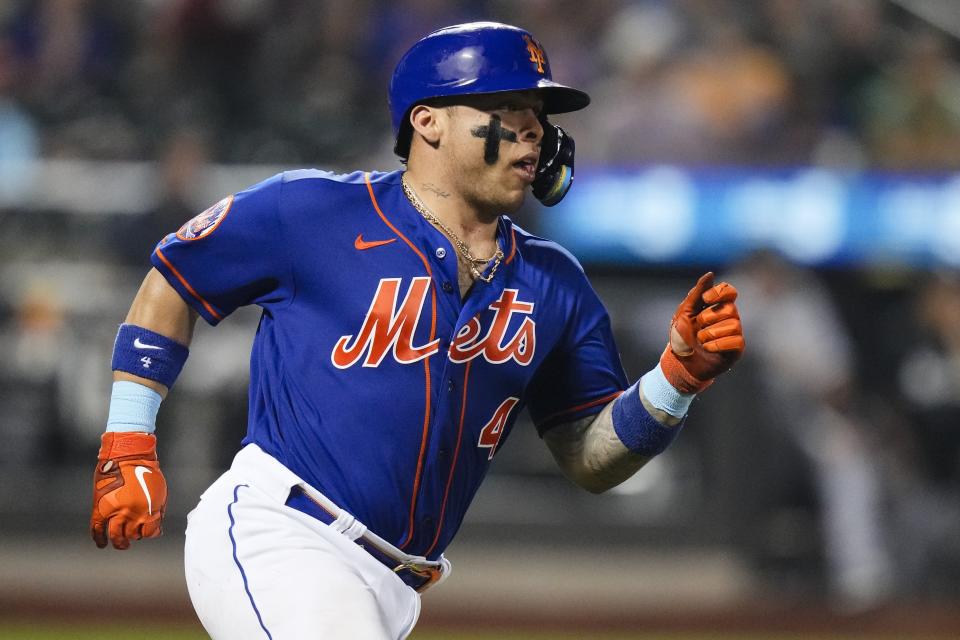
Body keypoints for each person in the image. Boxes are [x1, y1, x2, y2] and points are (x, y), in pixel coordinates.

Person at [89, 22, 745, 640]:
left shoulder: (554, 284)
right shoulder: (313, 212)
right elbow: (173, 279)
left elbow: (591, 458)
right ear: (427, 122)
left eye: (539, 113)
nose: (533, 130)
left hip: (397, 581)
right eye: (506, 106)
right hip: (282, 531)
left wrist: (674, 382)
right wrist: (128, 437)